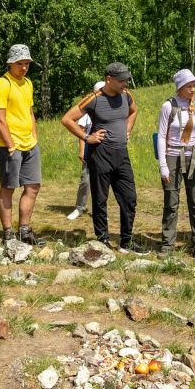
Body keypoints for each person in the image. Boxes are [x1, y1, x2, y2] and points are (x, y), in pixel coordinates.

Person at [61, 63, 138, 250]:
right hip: (100, 154)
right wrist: (87, 137)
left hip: (121, 154)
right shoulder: (94, 98)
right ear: (109, 79)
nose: (125, 83)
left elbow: (134, 111)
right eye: (121, 80)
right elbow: (67, 119)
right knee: (100, 199)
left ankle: (126, 242)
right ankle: (102, 240)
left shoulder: (126, 95)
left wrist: (127, 129)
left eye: (126, 80)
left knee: (129, 198)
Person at [157, 69, 195, 259]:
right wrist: (163, 165)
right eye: (189, 86)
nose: (193, 89)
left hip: (194, 158)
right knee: (171, 203)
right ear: (180, 87)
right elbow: (161, 136)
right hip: (173, 156)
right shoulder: (168, 106)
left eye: (194, 85)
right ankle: (167, 245)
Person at [0, 44, 42, 246]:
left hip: (29, 143)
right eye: (20, 63)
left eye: (27, 63)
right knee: (8, 187)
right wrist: (11, 145)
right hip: (9, 145)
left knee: (33, 186)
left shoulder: (28, 83)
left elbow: (29, 112)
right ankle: (8, 233)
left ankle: (24, 230)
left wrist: (34, 136)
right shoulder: (2, 84)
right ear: (10, 63)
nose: (24, 67)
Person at [66, 81, 104, 222]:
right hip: (90, 151)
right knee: (85, 180)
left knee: (102, 183)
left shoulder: (110, 110)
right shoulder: (86, 113)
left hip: (106, 152)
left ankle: (99, 211)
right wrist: (82, 150)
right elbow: (81, 132)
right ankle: (80, 207)